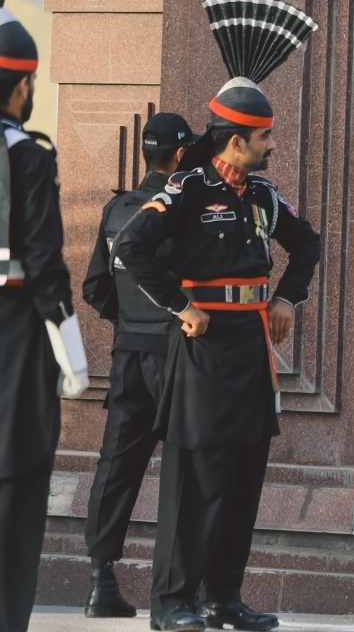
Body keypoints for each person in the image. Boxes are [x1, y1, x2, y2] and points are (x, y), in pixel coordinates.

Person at [114, 0, 322, 632]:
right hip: (201, 343)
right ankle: (173, 603)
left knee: (243, 469)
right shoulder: (190, 187)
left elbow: (307, 243)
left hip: (250, 340)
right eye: (264, 138)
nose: (270, 147)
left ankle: (222, 597)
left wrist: (287, 296)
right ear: (238, 138)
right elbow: (130, 248)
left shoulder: (261, 191)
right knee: (193, 473)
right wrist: (180, 306)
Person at [79, 113, 193, 619]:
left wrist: (127, 321)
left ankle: (100, 579)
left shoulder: (117, 208)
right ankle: (176, 592)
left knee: (117, 467)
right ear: (182, 155)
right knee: (185, 466)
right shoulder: (180, 209)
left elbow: (94, 288)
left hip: (128, 353)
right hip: (177, 352)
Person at [0, 0, 89, 630]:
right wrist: (69, 343)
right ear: (23, 84)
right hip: (14, 340)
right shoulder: (28, 155)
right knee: (17, 483)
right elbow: (43, 257)